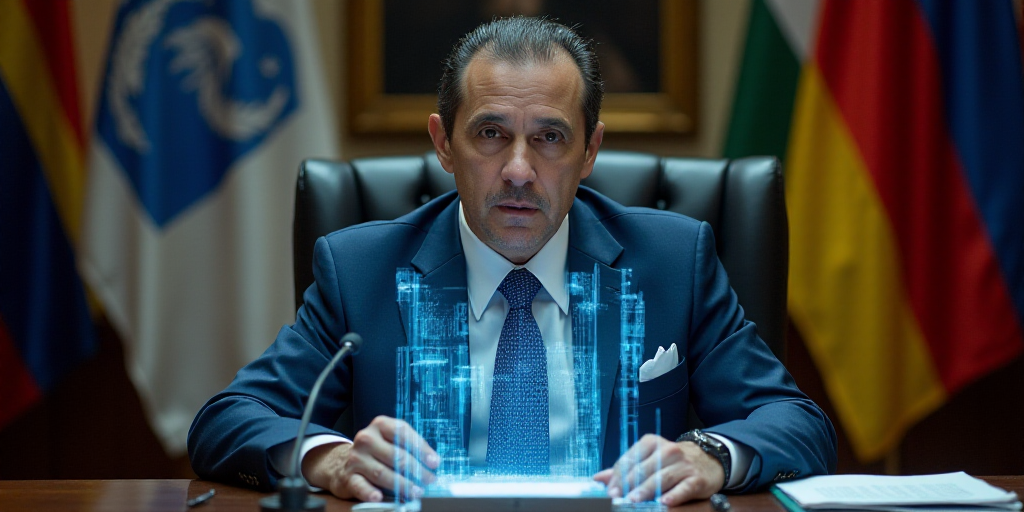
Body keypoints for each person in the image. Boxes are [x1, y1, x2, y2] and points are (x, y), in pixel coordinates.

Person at [187, 16, 837, 507]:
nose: (520, 171)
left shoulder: (673, 262)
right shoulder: (361, 270)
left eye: (550, 138)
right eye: (491, 134)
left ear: (589, 152)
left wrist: (711, 458)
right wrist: (327, 459)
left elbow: (798, 424)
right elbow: (227, 421)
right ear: (444, 143)